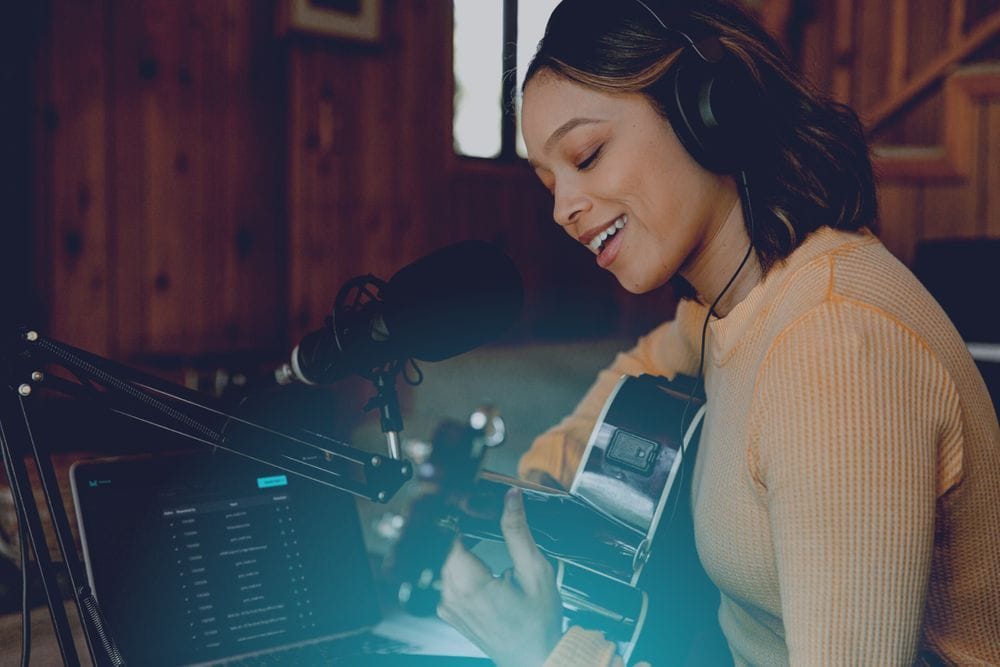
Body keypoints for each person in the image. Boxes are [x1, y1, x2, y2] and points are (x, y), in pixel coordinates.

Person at [435, 0, 1000, 665]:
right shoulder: (731, 305)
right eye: (549, 181)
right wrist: (525, 488)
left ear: (710, 109)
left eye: (586, 155)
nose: (563, 209)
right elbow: (634, 373)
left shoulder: (837, 343)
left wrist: (540, 651)